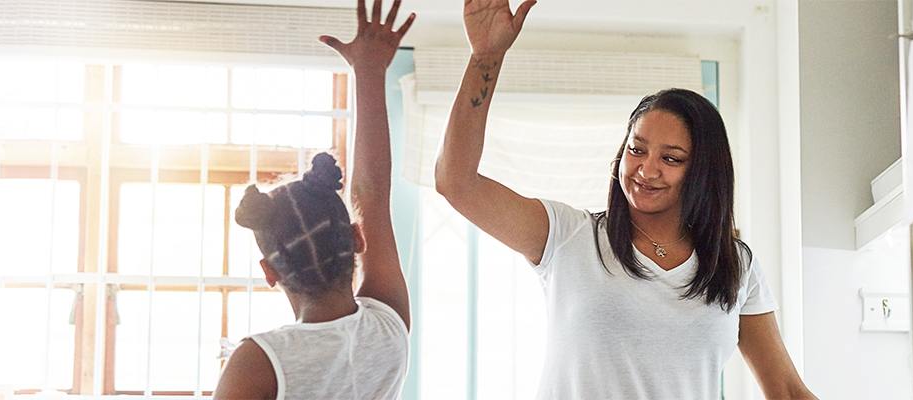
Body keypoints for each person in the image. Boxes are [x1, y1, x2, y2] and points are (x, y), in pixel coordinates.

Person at [434, 0, 818, 399]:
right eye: (637, 149)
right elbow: (456, 183)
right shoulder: (569, 237)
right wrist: (486, 57)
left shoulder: (734, 264)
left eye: (671, 158)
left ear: (703, 171)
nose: (646, 170)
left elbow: (786, 390)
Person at [213, 0, 415, 398]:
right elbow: (372, 195)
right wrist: (370, 73)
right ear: (357, 239)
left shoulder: (260, 359)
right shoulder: (388, 327)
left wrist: (368, 71)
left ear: (270, 272)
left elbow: (370, 197)